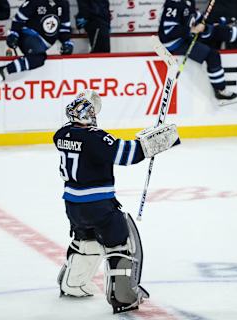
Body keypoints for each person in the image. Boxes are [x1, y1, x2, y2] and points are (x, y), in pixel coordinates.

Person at [54, 90, 180, 313]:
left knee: (86, 241)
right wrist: (155, 142)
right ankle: (122, 296)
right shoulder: (95, 137)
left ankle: (72, 284)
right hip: (99, 205)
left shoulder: (62, 134)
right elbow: (127, 154)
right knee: (121, 244)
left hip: (73, 205)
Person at [158, 0, 237, 106]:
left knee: (217, 30)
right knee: (212, 55)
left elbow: (195, 18)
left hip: (185, 37)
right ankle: (220, 92)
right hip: (175, 43)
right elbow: (168, 32)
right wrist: (192, 30)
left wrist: (217, 22)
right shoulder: (173, 3)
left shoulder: (188, 1)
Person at [0, 0, 73, 82]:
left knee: (37, 59)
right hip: (29, 35)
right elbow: (19, 19)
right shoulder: (35, 1)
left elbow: (64, 27)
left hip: (43, 44)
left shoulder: (63, 3)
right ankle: (3, 70)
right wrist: (13, 34)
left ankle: (4, 70)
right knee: (38, 58)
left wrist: (67, 42)